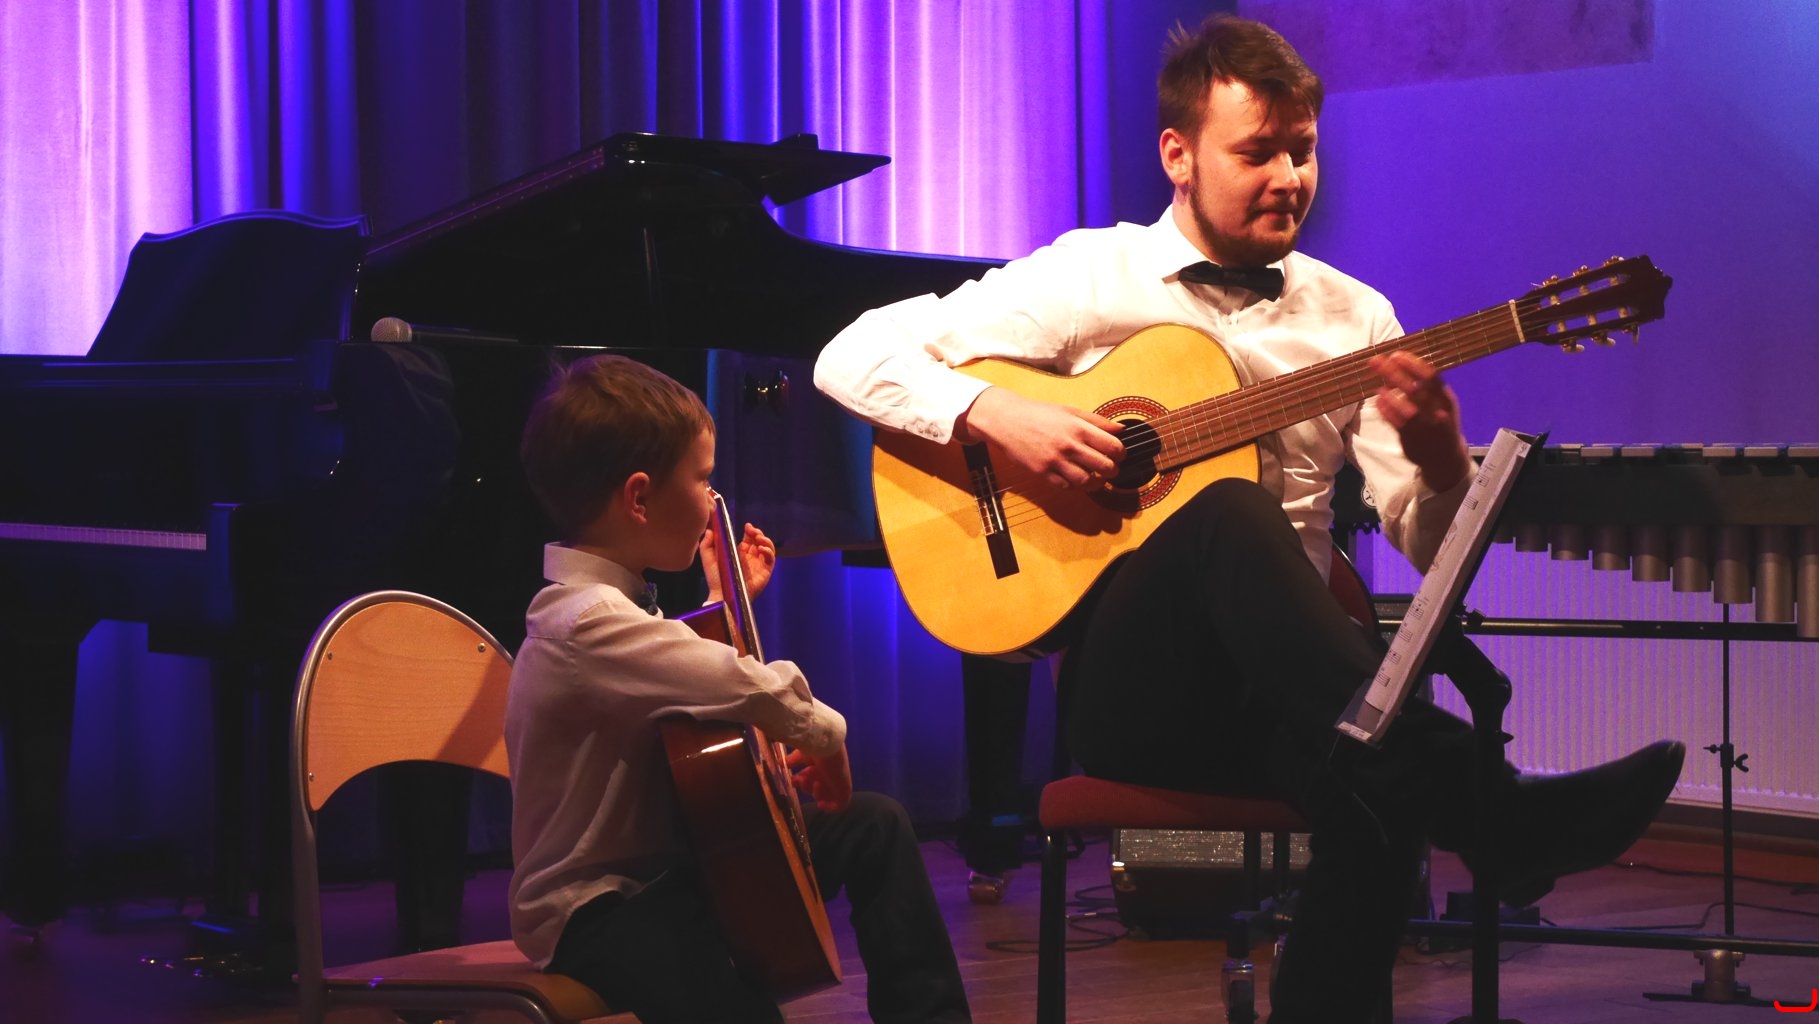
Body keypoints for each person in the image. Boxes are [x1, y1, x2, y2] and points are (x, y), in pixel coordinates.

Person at [813, 14, 1682, 1023]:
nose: (1288, 178)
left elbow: (1427, 547)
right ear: (1177, 155)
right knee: (1229, 506)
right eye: (1257, 153)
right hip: (1140, 695)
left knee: (1374, 790)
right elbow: (849, 355)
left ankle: (1444, 847)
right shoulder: (1089, 277)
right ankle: (1496, 805)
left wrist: (1443, 457)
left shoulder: (1354, 318)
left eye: (1303, 151)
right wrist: (997, 414)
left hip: (1297, 699)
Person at [504, 354, 971, 1024]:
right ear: (639, 498)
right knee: (724, 982)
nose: (714, 500)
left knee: (873, 825)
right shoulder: (585, 623)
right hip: (595, 911)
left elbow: (677, 669)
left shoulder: (613, 616)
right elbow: (743, 686)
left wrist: (725, 602)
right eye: (702, 479)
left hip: (663, 879)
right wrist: (825, 735)